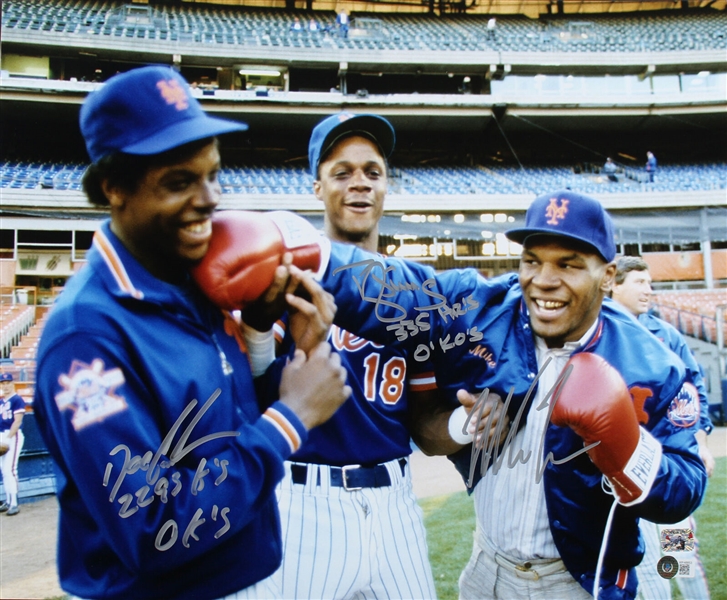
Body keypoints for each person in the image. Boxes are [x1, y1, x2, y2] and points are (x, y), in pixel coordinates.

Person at [194, 190, 707, 600]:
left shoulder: (654, 363)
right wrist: (308, 250)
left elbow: (684, 488)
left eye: (569, 264)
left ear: (607, 275)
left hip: (575, 579)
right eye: (532, 260)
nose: (543, 281)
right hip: (487, 568)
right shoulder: (488, 310)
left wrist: (624, 448)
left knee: (674, 565)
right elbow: (405, 289)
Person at [32, 65, 351, 600]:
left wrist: (261, 337)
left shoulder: (191, 280)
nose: (208, 199)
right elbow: (152, 529)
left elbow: (218, 434)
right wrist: (291, 421)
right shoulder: (84, 339)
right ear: (114, 187)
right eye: (180, 181)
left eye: (212, 175)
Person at [267, 113, 505, 599]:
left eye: (372, 172)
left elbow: (422, 425)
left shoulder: (416, 291)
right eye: (343, 172)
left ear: (386, 186)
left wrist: (467, 425)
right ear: (317, 187)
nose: (360, 184)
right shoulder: (289, 276)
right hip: (302, 501)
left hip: (396, 500)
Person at [611, 256, 713, 600]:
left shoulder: (664, 333)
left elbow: (692, 387)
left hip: (669, 466)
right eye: (639, 282)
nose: (648, 289)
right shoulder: (597, 333)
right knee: (646, 563)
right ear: (613, 283)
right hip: (622, 470)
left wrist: (699, 442)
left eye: (649, 282)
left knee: (678, 554)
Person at [0, 372, 26, 516]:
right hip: (1, 434)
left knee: (10, 469)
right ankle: (8, 501)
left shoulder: (17, 400)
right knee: (3, 470)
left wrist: (7, 438)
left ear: (12, 383)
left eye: (7, 382)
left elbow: (18, 421)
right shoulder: (1, 401)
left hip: (13, 435)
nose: (5, 385)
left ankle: (15, 503)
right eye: (3, 383)